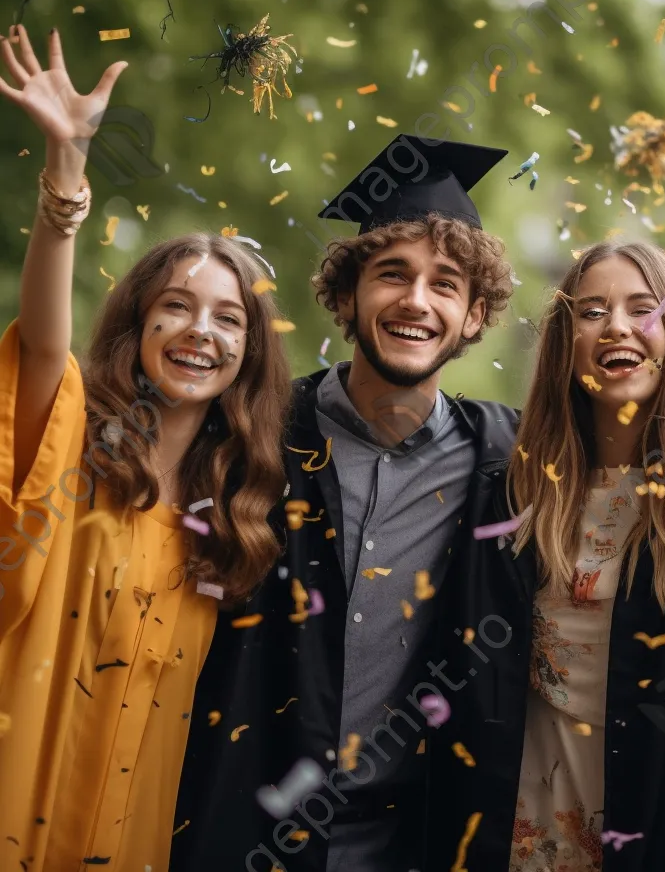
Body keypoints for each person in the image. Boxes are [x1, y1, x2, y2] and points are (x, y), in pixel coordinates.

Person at [172, 134, 519, 872]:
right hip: (236, 827)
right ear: (345, 292)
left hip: (413, 841)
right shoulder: (250, 435)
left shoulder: (506, 461)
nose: (416, 301)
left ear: (475, 314)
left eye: (446, 284)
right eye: (392, 274)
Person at [0, 24, 292, 872]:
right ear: (139, 324)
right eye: (177, 306)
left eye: (229, 318)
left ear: (249, 354)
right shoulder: (71, 443)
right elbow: (45, 345)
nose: (201, 331)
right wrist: (66, 173)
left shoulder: (231, 515)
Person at [426, 240, 665, 872]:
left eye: (642, 308)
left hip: (661, 823)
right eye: (591, 311)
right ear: (565, 344)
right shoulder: (515, 493)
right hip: (523, 818)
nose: (618, 326)